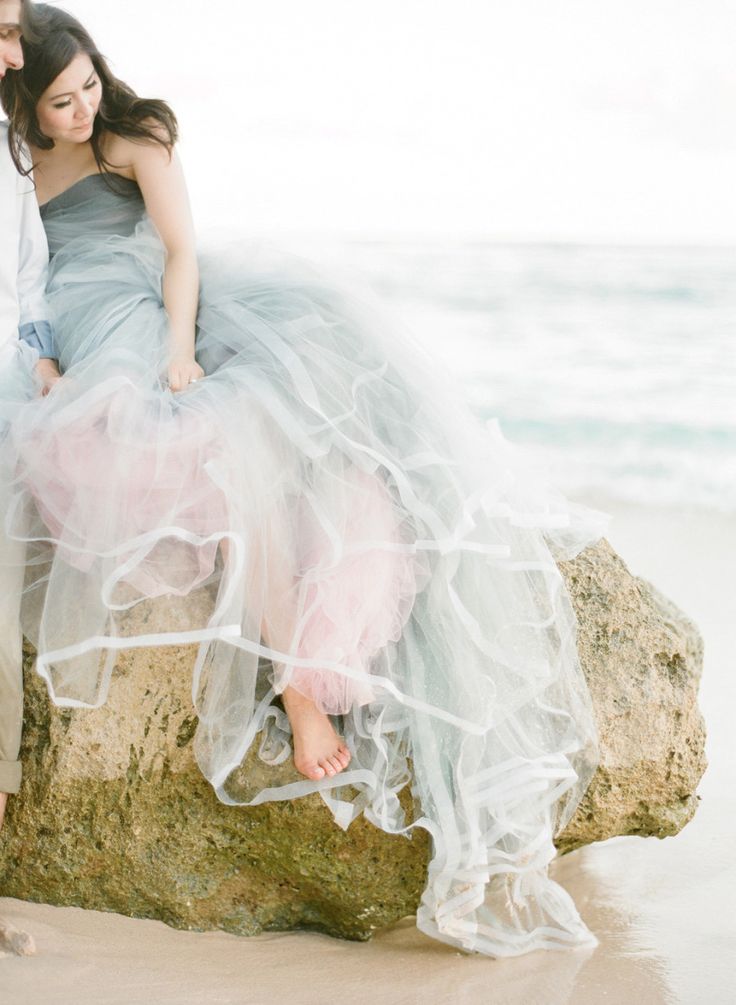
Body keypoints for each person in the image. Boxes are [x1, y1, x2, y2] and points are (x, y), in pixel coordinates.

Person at [0, 3, 611, 957]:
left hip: (144, 307)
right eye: (59, 102)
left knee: (242, 434)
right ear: (25, 101)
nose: (78, 112)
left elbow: (181, 252)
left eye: (86, 89)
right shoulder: (17, 159)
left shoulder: (135, 137)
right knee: (109, 447)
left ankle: (298, 684)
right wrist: (32, 351)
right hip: (58, 321)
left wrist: (176, 351)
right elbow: (19, 273)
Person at [0, 0, 58, 839]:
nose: (15, 57)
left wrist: (44, 363)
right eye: (4, 31)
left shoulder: (11, 151)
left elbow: (27, 280)